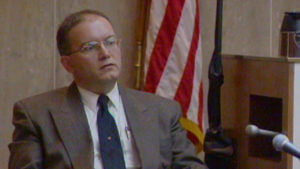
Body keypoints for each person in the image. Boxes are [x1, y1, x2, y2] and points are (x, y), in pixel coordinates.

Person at [8, 9, 204, 169]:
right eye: (90, 47)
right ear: (67, 64)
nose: (105, 53)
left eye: (110, 42)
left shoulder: (161, 111)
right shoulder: (36, 115)